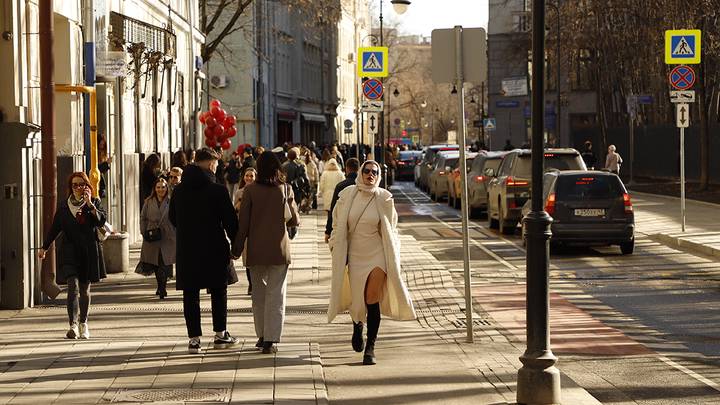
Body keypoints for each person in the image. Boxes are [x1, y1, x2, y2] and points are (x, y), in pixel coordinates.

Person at [327, 160, 416, 365]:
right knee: (358, 299)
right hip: (355, 255)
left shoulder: (384, 198)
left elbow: (391, 228)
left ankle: (371, 347)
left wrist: (394, 252)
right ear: (360, 173)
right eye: (366, 171)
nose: (370, 175)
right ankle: (357, 325)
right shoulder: (347, 195)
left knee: (371, 298)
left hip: (377, 254)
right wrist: (334, 244)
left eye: (374, 172)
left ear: (379, 175)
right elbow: (337, 223)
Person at [169, 148, 239, 354]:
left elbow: (173, 218)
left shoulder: (179, 191)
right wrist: (236, 245)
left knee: (190, 294)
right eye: (216, 164)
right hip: (214, 247)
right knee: (219, 290)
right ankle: (220, 334)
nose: (217, 168)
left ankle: (194, 340)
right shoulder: (218, 190)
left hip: (187, 249)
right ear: (210, 164)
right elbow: (230, 221)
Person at [233, 151, 298, 355]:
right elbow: (294, 219)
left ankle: (261, 335)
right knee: (276, 294)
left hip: (256, 249)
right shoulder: (285, 189)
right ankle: (271, 338)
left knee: (258, 294)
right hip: (279, 249)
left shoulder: (250, 191)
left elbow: (243, 224)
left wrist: (235, 249)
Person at [38, 172, 107, 339]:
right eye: (74, 185)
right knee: (72, 287)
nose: (78, 188)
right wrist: (44, 247)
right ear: (70, 187)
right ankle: (73, 325)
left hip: (88, 252)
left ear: (87, 186)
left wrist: (90, 204)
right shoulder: (63, 207)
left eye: (81, 184)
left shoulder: (95, 203)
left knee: (84, 289)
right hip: (69, 252)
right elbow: (55, 228)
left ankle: (84, 323)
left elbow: (101, 221)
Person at [138, 178, 176, 299]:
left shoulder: (171, 201)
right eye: (158, 187)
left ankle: (162, 288)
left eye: (163, 187)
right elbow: (143, 217)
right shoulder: (149, 202)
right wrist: (144, 232)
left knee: (164, 262)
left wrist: (175, 231)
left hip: (167, 236)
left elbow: (177, 217)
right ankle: (160, 286)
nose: (161, 189)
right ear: (155, 189)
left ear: (167, 188)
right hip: (152, 235)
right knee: (156, 263)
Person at [233, 167, 257, 295]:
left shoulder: (259, 192)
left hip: (256, 229)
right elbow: (234, 210)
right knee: (247, 259)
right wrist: (238, 206)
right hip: (244, 229)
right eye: (247, 176)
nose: (248, 178)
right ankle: (251, 284)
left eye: (251, 176)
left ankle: (256, 282)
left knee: (256, 257)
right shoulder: (239, 192)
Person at [324, 158, 360, 243]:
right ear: (359, 169)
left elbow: (333, 210)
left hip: (344, 225)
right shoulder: (362, 186)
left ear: (347, 168)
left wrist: (328, 231)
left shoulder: (340, 186)